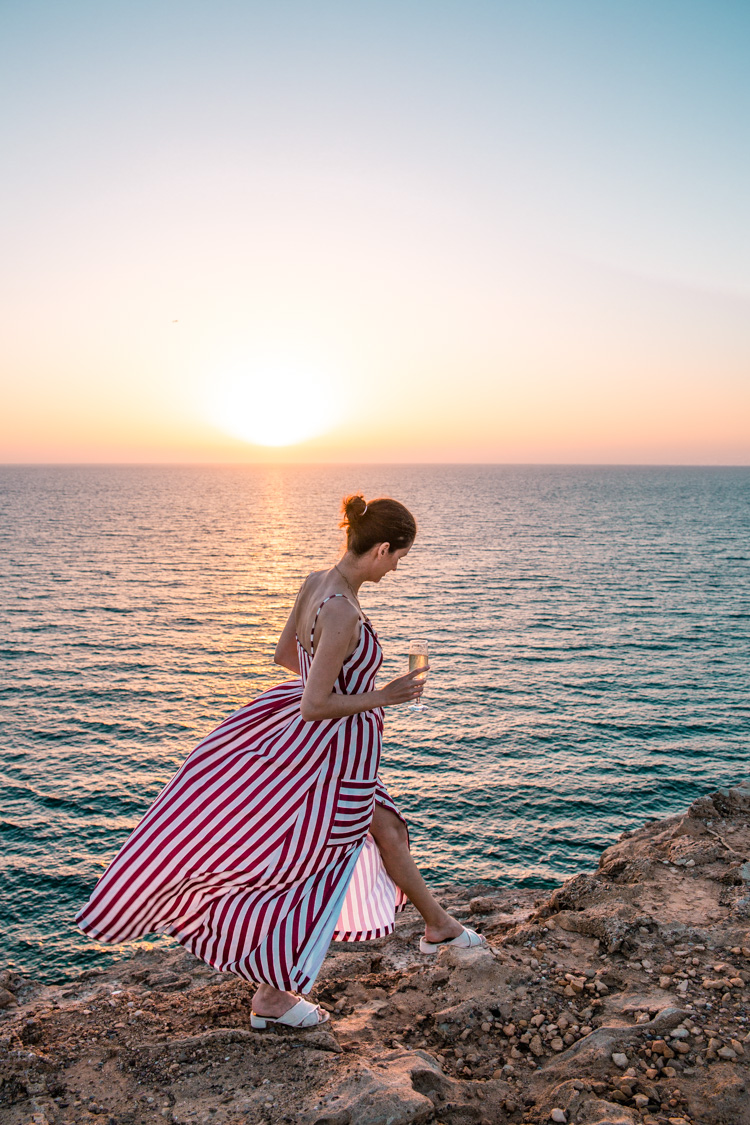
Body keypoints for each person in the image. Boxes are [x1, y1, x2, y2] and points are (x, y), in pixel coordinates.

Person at [76, 494, 484, 1030]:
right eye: (399, 558)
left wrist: (337, 685)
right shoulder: (343, 610)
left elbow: (287, 658)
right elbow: (316, 705)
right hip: (333, 753)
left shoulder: (317, 580)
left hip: (332, 749)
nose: (397, 568)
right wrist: (382, 696)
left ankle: (439, 925)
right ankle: (272, 997)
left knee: (386, 827)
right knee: (312, 865)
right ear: (382, 548)